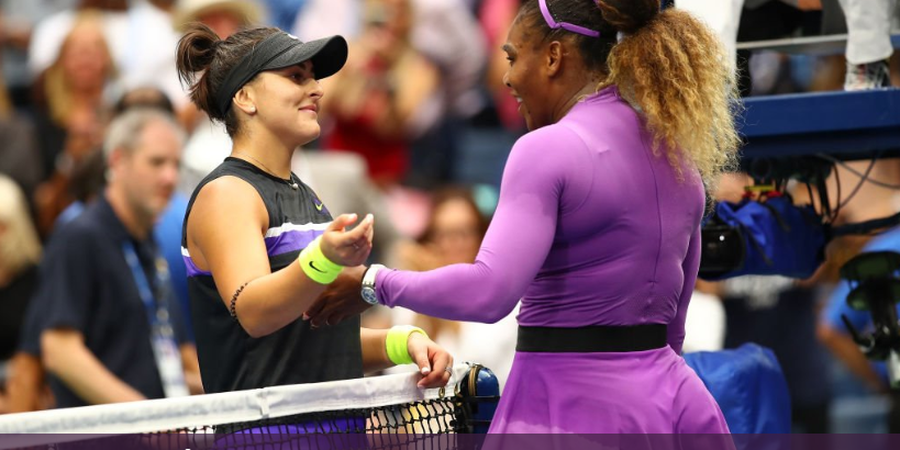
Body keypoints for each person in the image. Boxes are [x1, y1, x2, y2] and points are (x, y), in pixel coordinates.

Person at [306, 0, 741, 433]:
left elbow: (490, 293)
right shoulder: (680, 157)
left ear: (554, 57)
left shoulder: (545, 149)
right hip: (677, 409)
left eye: (513, 57)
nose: (509, 77)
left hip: (567, 410)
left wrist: (372, 284)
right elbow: (675, 327)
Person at [173, 22, 453, 406]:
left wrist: (404, 343)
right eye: (295, 76)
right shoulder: (227, 194)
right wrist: (323, 259)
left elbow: (315, 343)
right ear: (245, 97)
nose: (317, 88)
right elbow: (254, 311)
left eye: (313, 77)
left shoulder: (307, 197)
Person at [37, 108, 202, 408]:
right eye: (156, 162)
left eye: (176, 164)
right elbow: (60, 350)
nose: (170, 177)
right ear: (117, 161)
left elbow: (163, 361)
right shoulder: (80, 236)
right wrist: (144, 418)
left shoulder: (146, 243)